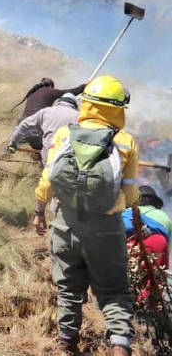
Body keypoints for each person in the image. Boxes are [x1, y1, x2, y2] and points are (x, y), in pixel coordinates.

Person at [32, 75, 137, 356]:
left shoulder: (66, 134)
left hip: (66, 223)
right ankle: (119, 346)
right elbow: (131, 195)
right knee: (114, 292)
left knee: (68, 289)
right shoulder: (125, 142)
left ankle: (66, 343)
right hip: (106, 227)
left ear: (87, 104)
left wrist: (39, 211)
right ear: (118, 108)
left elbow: (47, 180)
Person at [7, 94, 79, 163]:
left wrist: (13, 143)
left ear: (59, 102)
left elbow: (24, 125)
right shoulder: (78, 116)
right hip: (67, 157)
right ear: (74, 105)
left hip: (48, 153)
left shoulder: (45, 112)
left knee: (47, 173)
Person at [14, 78, 87, 123]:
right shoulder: (50, 91)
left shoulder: (32, 92)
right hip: (36, 123)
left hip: (22, 122)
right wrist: (85, 85)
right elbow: (71, 91)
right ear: (51, 86)